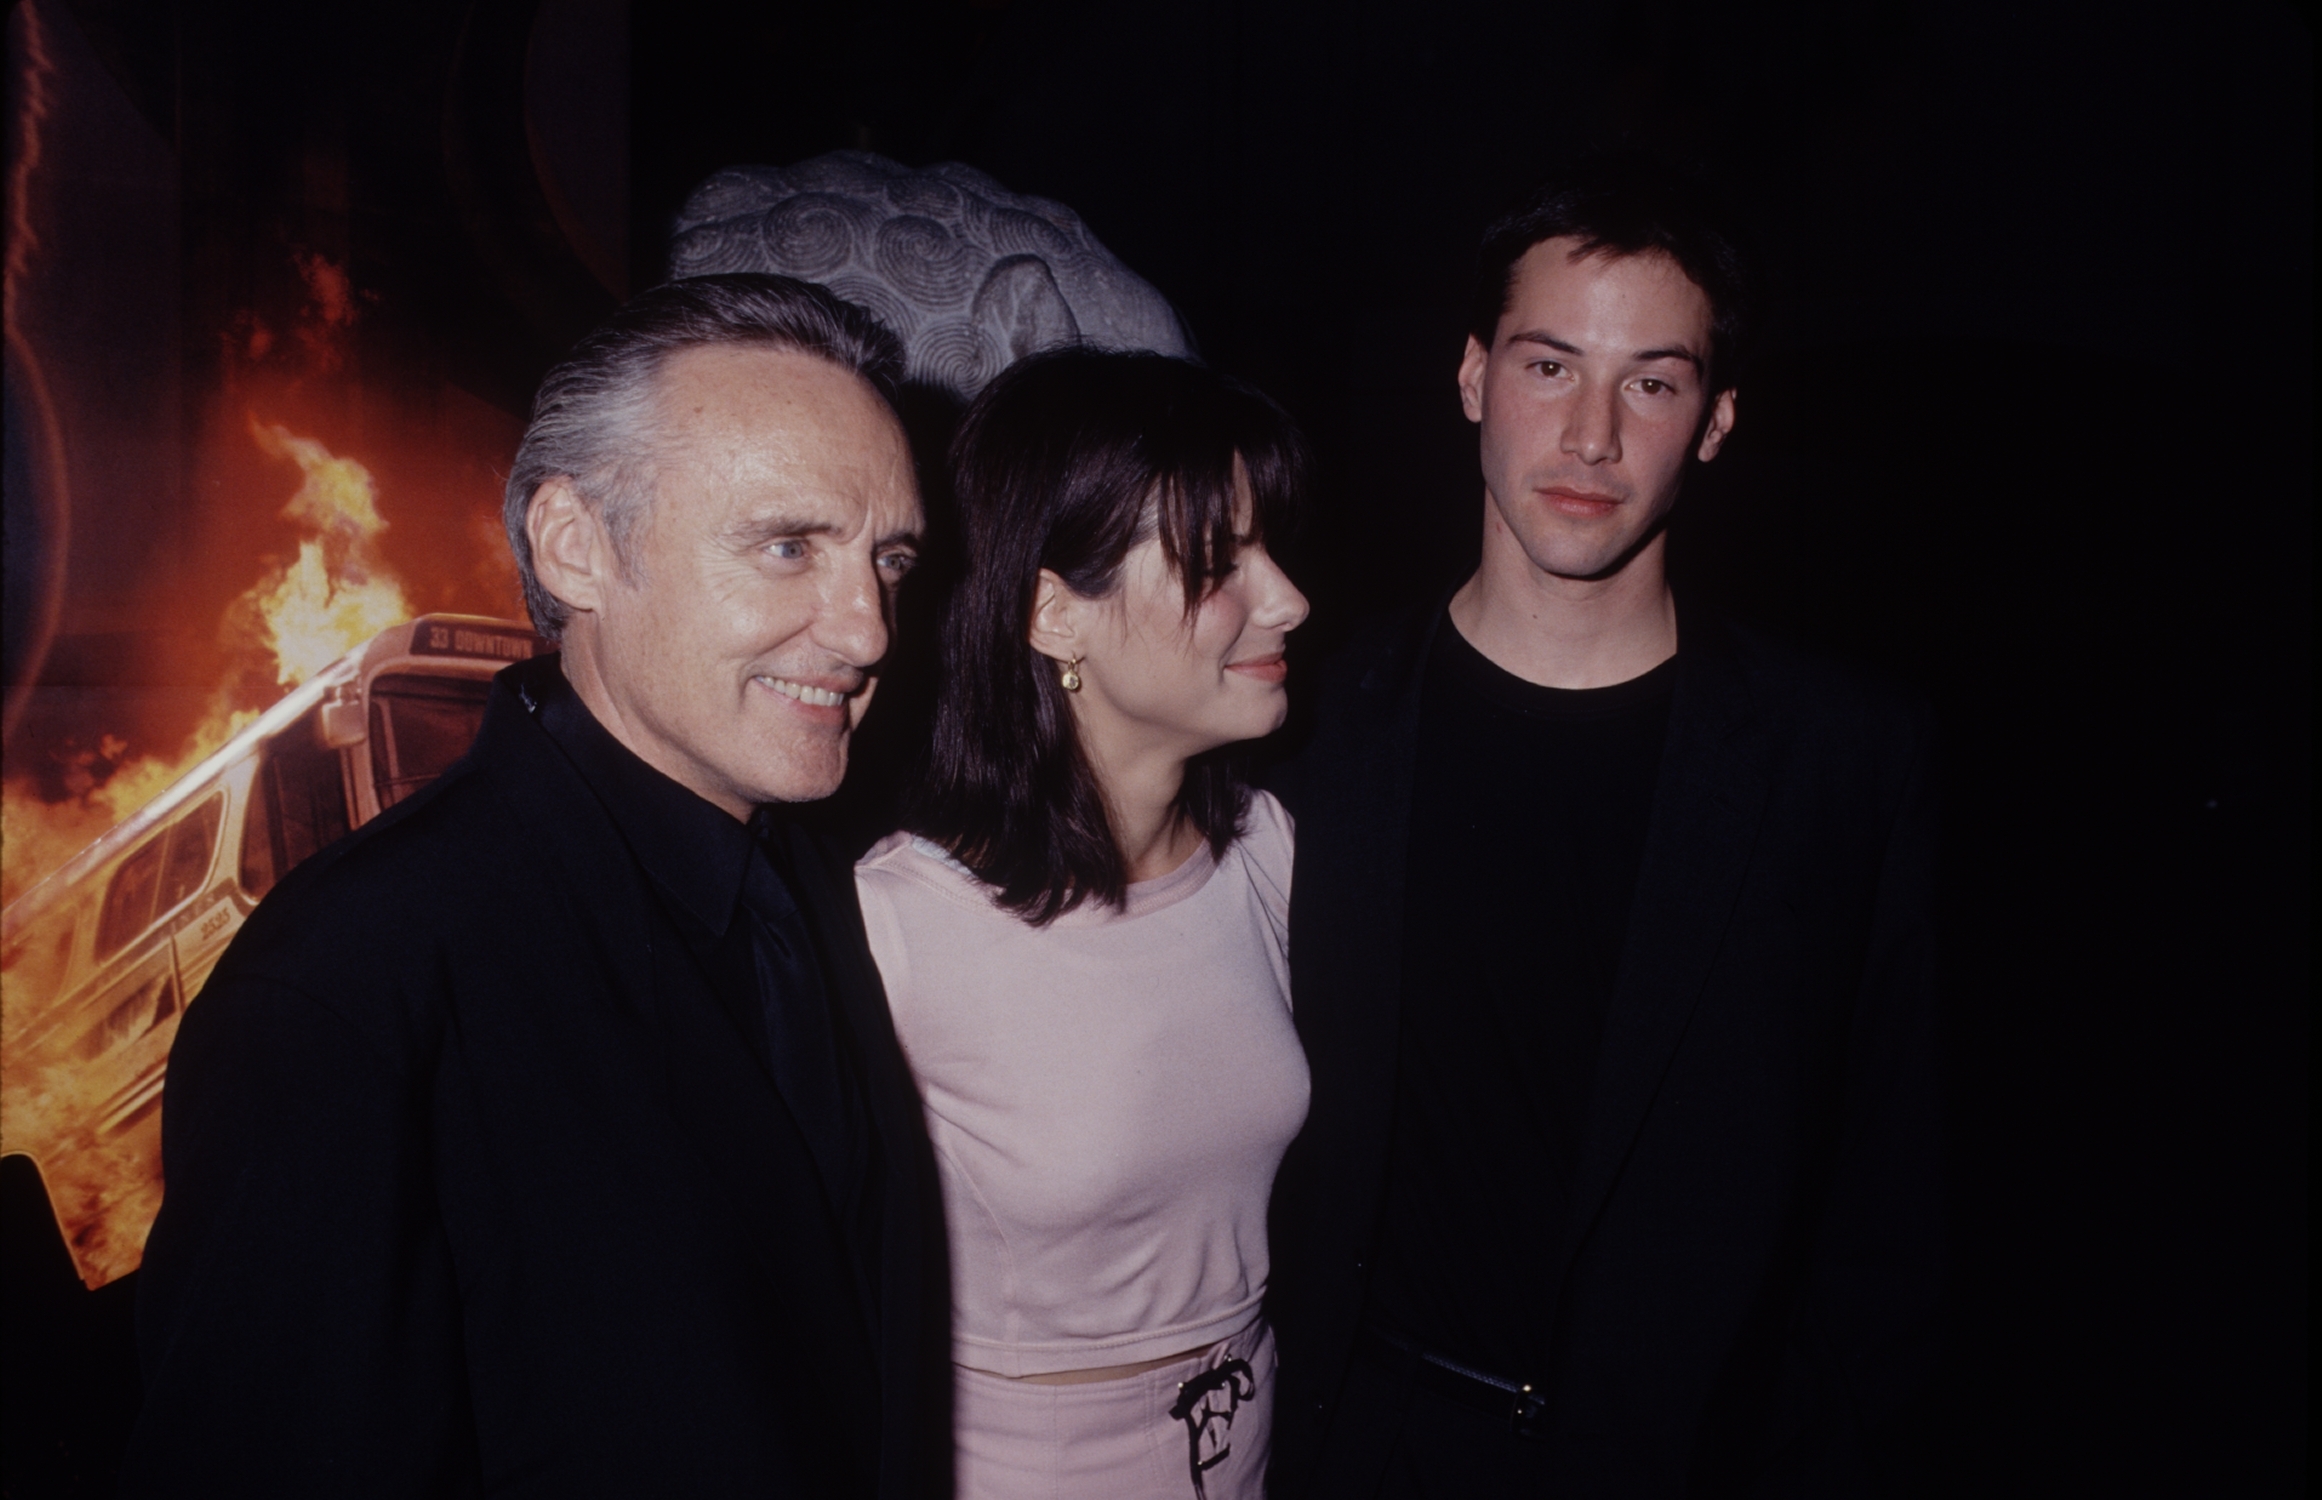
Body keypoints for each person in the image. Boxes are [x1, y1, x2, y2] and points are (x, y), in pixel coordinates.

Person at [122, 275, 949, 1497]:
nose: (870, 627)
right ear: (576, 547)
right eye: (787, 547)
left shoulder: (805, 876)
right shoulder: (352, 984)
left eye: (888, 558)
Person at [1264, 160, 1943, 1495]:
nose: (1590, 437)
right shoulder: (1304, 728)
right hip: (1365, 1450)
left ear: (1716, 420)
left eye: (1651, 381)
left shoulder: (1843, 759)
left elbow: (1894, 1200)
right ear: (1470, 379)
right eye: (1547, 365)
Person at [853, 348, 1313, 1500]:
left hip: (1249, 1448)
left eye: (1271, 550)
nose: (1289, 599)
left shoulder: (1270, 853)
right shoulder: (899, 923)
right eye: (1219, 561)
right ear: (1055, 611)